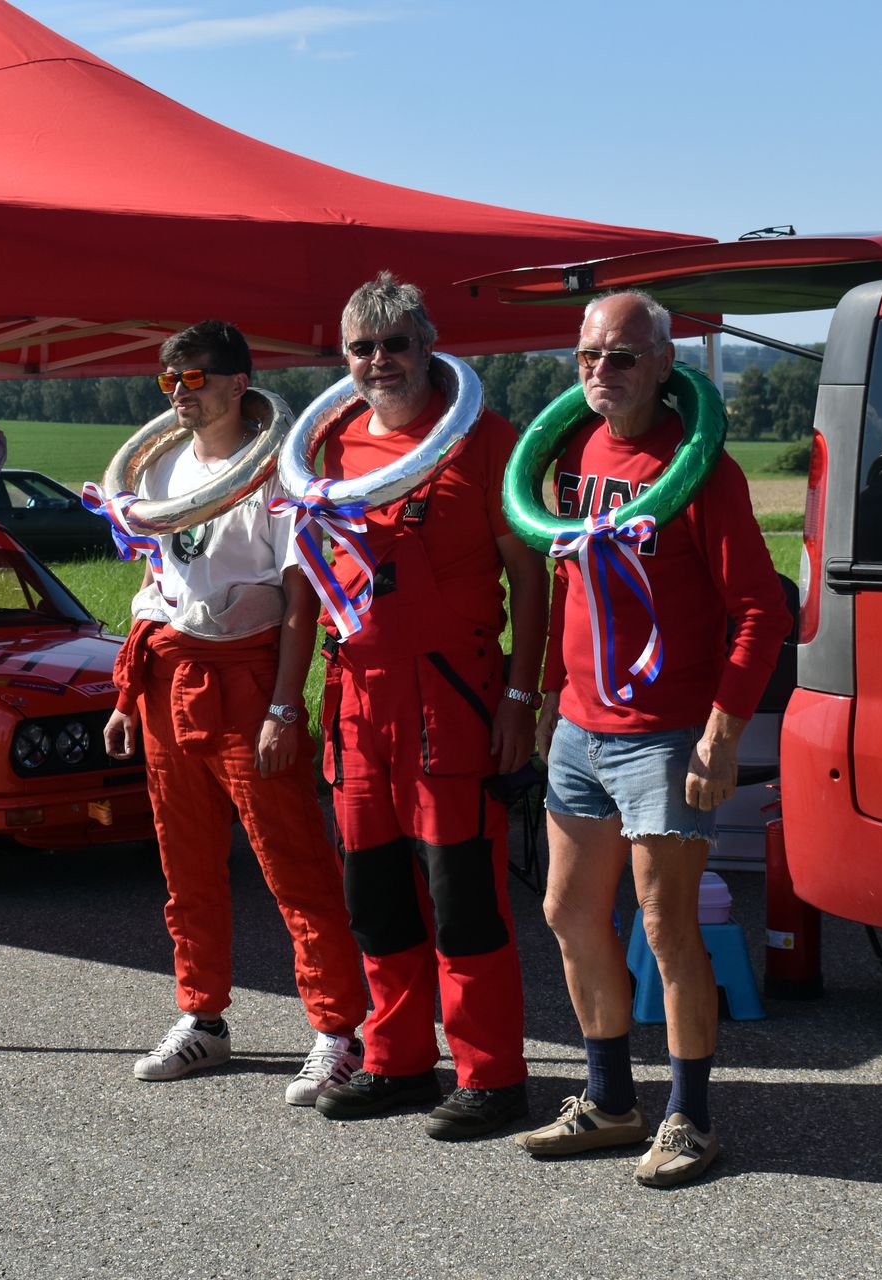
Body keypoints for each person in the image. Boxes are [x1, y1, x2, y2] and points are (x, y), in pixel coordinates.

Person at [514, 290, 788, 1187]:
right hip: (580, 727)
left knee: (667, 927)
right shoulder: (573, 452)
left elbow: (761, 611)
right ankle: (609, 1101)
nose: (603, 372)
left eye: (624, 357)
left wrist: (721, 732)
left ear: (665, 364)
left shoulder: (702, 469)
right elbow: (573, 585)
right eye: (589, 356)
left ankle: (690, 1118)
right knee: (567, 913)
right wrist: (550, 694)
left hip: (667, 736)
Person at [103, 320, 368, 1106]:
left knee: (293, 864)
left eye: (194, 377)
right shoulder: (160, 466)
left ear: (237, 383)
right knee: (185, 867)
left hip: (248, 682)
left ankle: (338, 1031)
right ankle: (203, 1019)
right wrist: (128, 694)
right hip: (170, 678)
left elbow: (299, 596)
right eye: (169, 380)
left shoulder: (277, 470)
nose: (179, 393)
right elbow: (155, 579)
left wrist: (285, 705)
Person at [308, 272, 547, 1141]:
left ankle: (492, 1076)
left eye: (396, 344)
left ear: (428, 347)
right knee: (375, 896)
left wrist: (521, 697)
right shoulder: (328, 444)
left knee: (463, 897)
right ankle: (398, 1059)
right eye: (362, 348)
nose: (380, 361)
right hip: (358, 701)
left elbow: (531, 577)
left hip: (451, 698)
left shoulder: (485, 439)